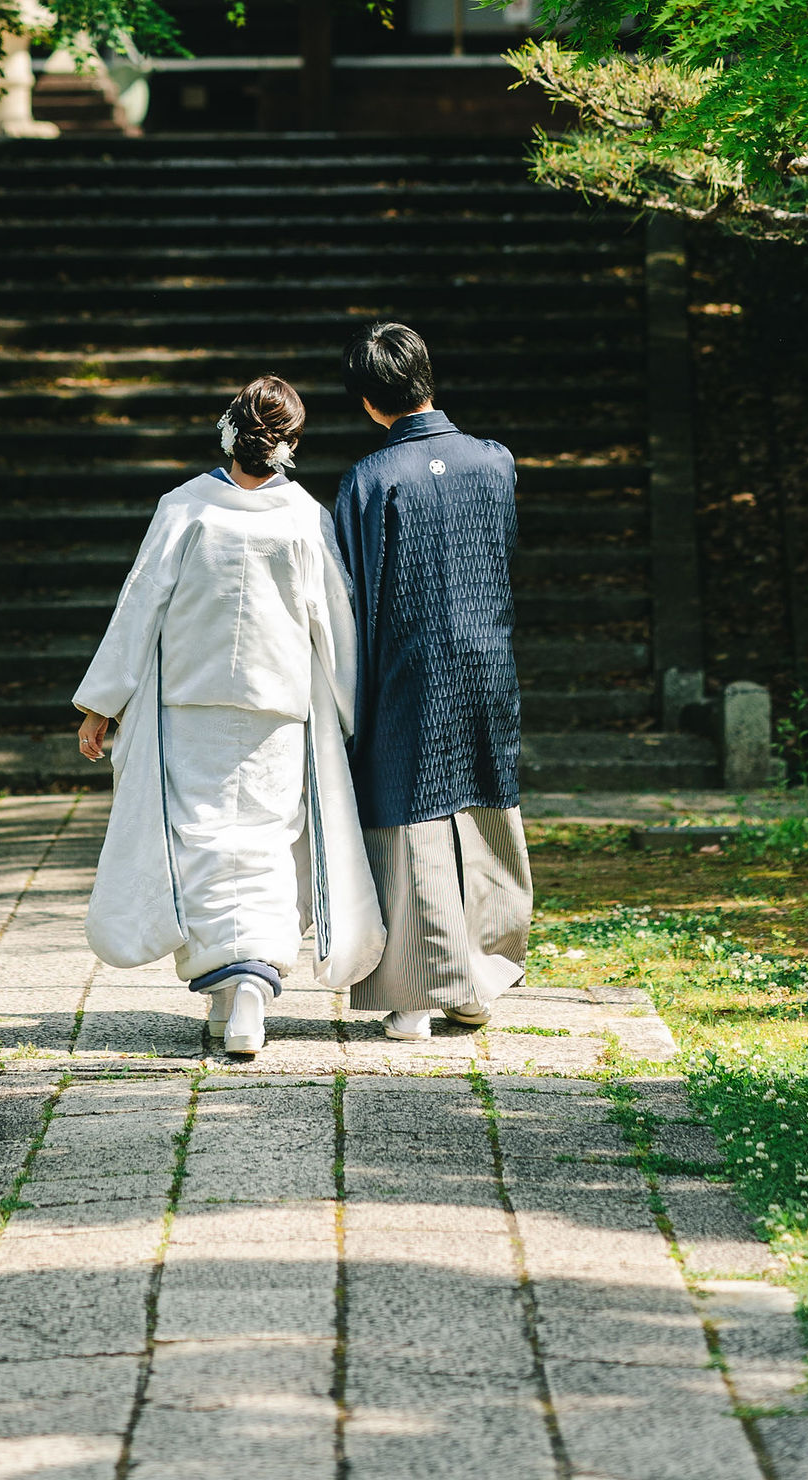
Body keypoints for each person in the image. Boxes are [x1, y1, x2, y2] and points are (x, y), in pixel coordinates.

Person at [73, 373, 385, 1058]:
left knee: (206, 843)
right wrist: (354, 710)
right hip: (276, 709)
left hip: (191, 704)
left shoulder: (186, 507)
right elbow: (334, 624)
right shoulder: (304, 516)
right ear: (290, 445)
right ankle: (245, 990)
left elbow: (140, 605)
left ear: (229, 431)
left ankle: (229, 988)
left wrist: (102, 703)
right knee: (268, 842)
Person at [332, 319, 532, 1042]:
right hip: (485, 660)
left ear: (368, 402)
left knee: (410, 816)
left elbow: (350, 595)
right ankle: (481, 979)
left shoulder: (368, 480)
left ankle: (415, 995)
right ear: (427, 378)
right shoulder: (493, 461)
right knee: (483, 802)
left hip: (406, 664)